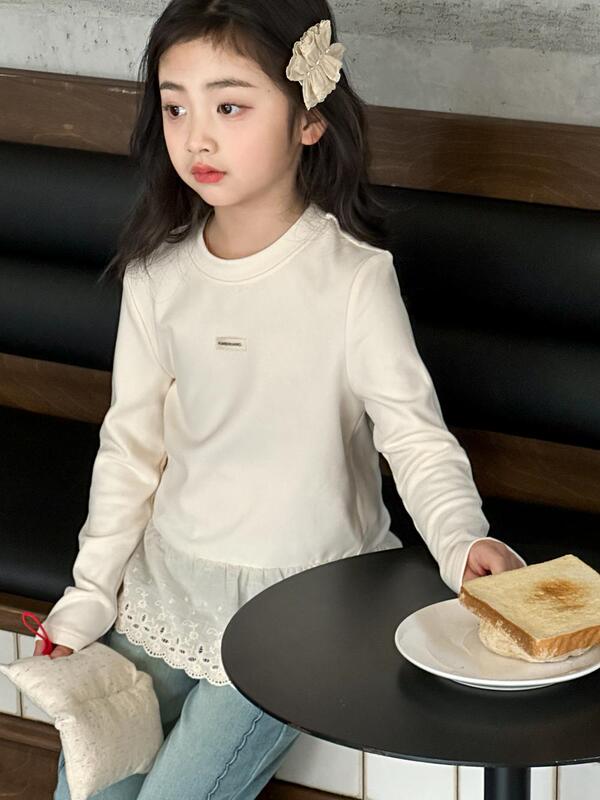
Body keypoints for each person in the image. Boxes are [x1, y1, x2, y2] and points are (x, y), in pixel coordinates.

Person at [35, 1, 525, 798]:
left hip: (305, 610)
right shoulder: (156, 275)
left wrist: (462, 540)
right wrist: (89, 594)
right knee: (84, 788)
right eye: (175, 107)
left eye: (229, 107)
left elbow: (414, 438)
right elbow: (129, 450)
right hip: (169, 591)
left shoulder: (352, 279)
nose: (197, 138)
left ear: (309, 119)